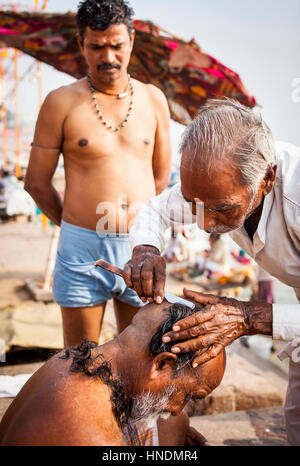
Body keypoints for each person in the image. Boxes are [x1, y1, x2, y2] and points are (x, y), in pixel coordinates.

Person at [124, 98, 300, 445]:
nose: (204, 224)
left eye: (220, 209)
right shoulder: (215, 186)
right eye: (194, 205)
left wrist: (248, 317)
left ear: (267, 179)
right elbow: (154, 212)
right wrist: (146, 249)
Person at [24, 0, 171, 347]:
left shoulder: (153, 100)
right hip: (82, 249)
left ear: (131, 40)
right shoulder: (60, 102)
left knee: (140, 361)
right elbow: (36, 183)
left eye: (117, 45)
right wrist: (76, 226)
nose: (108, 56)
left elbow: (160, 180)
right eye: (97, 46)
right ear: (81, 44)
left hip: (141, 247)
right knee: (80, 363)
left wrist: (141, 231)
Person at [0, 302, 225, 446]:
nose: (177, 409)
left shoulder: (75, 361)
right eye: (185, 395)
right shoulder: (89, 434)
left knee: (172, 425)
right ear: (161, 364)